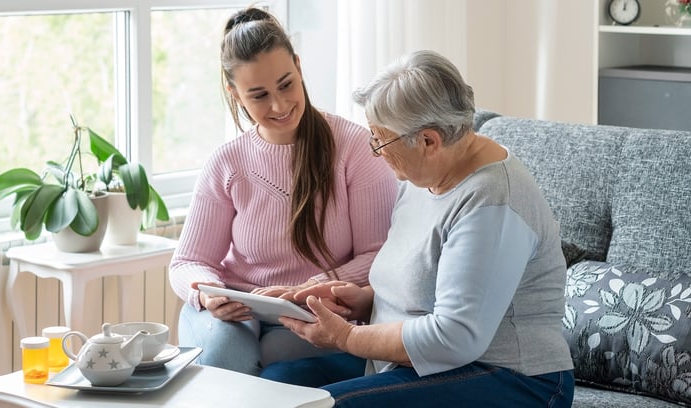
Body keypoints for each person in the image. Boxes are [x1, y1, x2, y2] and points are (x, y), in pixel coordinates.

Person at [259, 50, 575, 407]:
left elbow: (455, 337)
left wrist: (346, 337)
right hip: (421, 363)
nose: (376, 150)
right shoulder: (424, 174)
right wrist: (365, 301)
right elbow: (425, 285)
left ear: (428, 141)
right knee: (279, 383)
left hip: (511, 376)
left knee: (321, 405)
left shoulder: (493, 201)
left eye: (381, 139)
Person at [168, 6, 398, 376]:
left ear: (299, 66)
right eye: (258, 95)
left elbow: (380, 255)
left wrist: (305, 289)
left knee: (275, 353)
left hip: (311, 308)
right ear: (235, 93)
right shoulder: (227, 162)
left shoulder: (355, 147)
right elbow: (186, 262)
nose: (279, 105)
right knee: (229, 352)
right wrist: (207, 291)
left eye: (286, 84)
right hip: (236, 311)